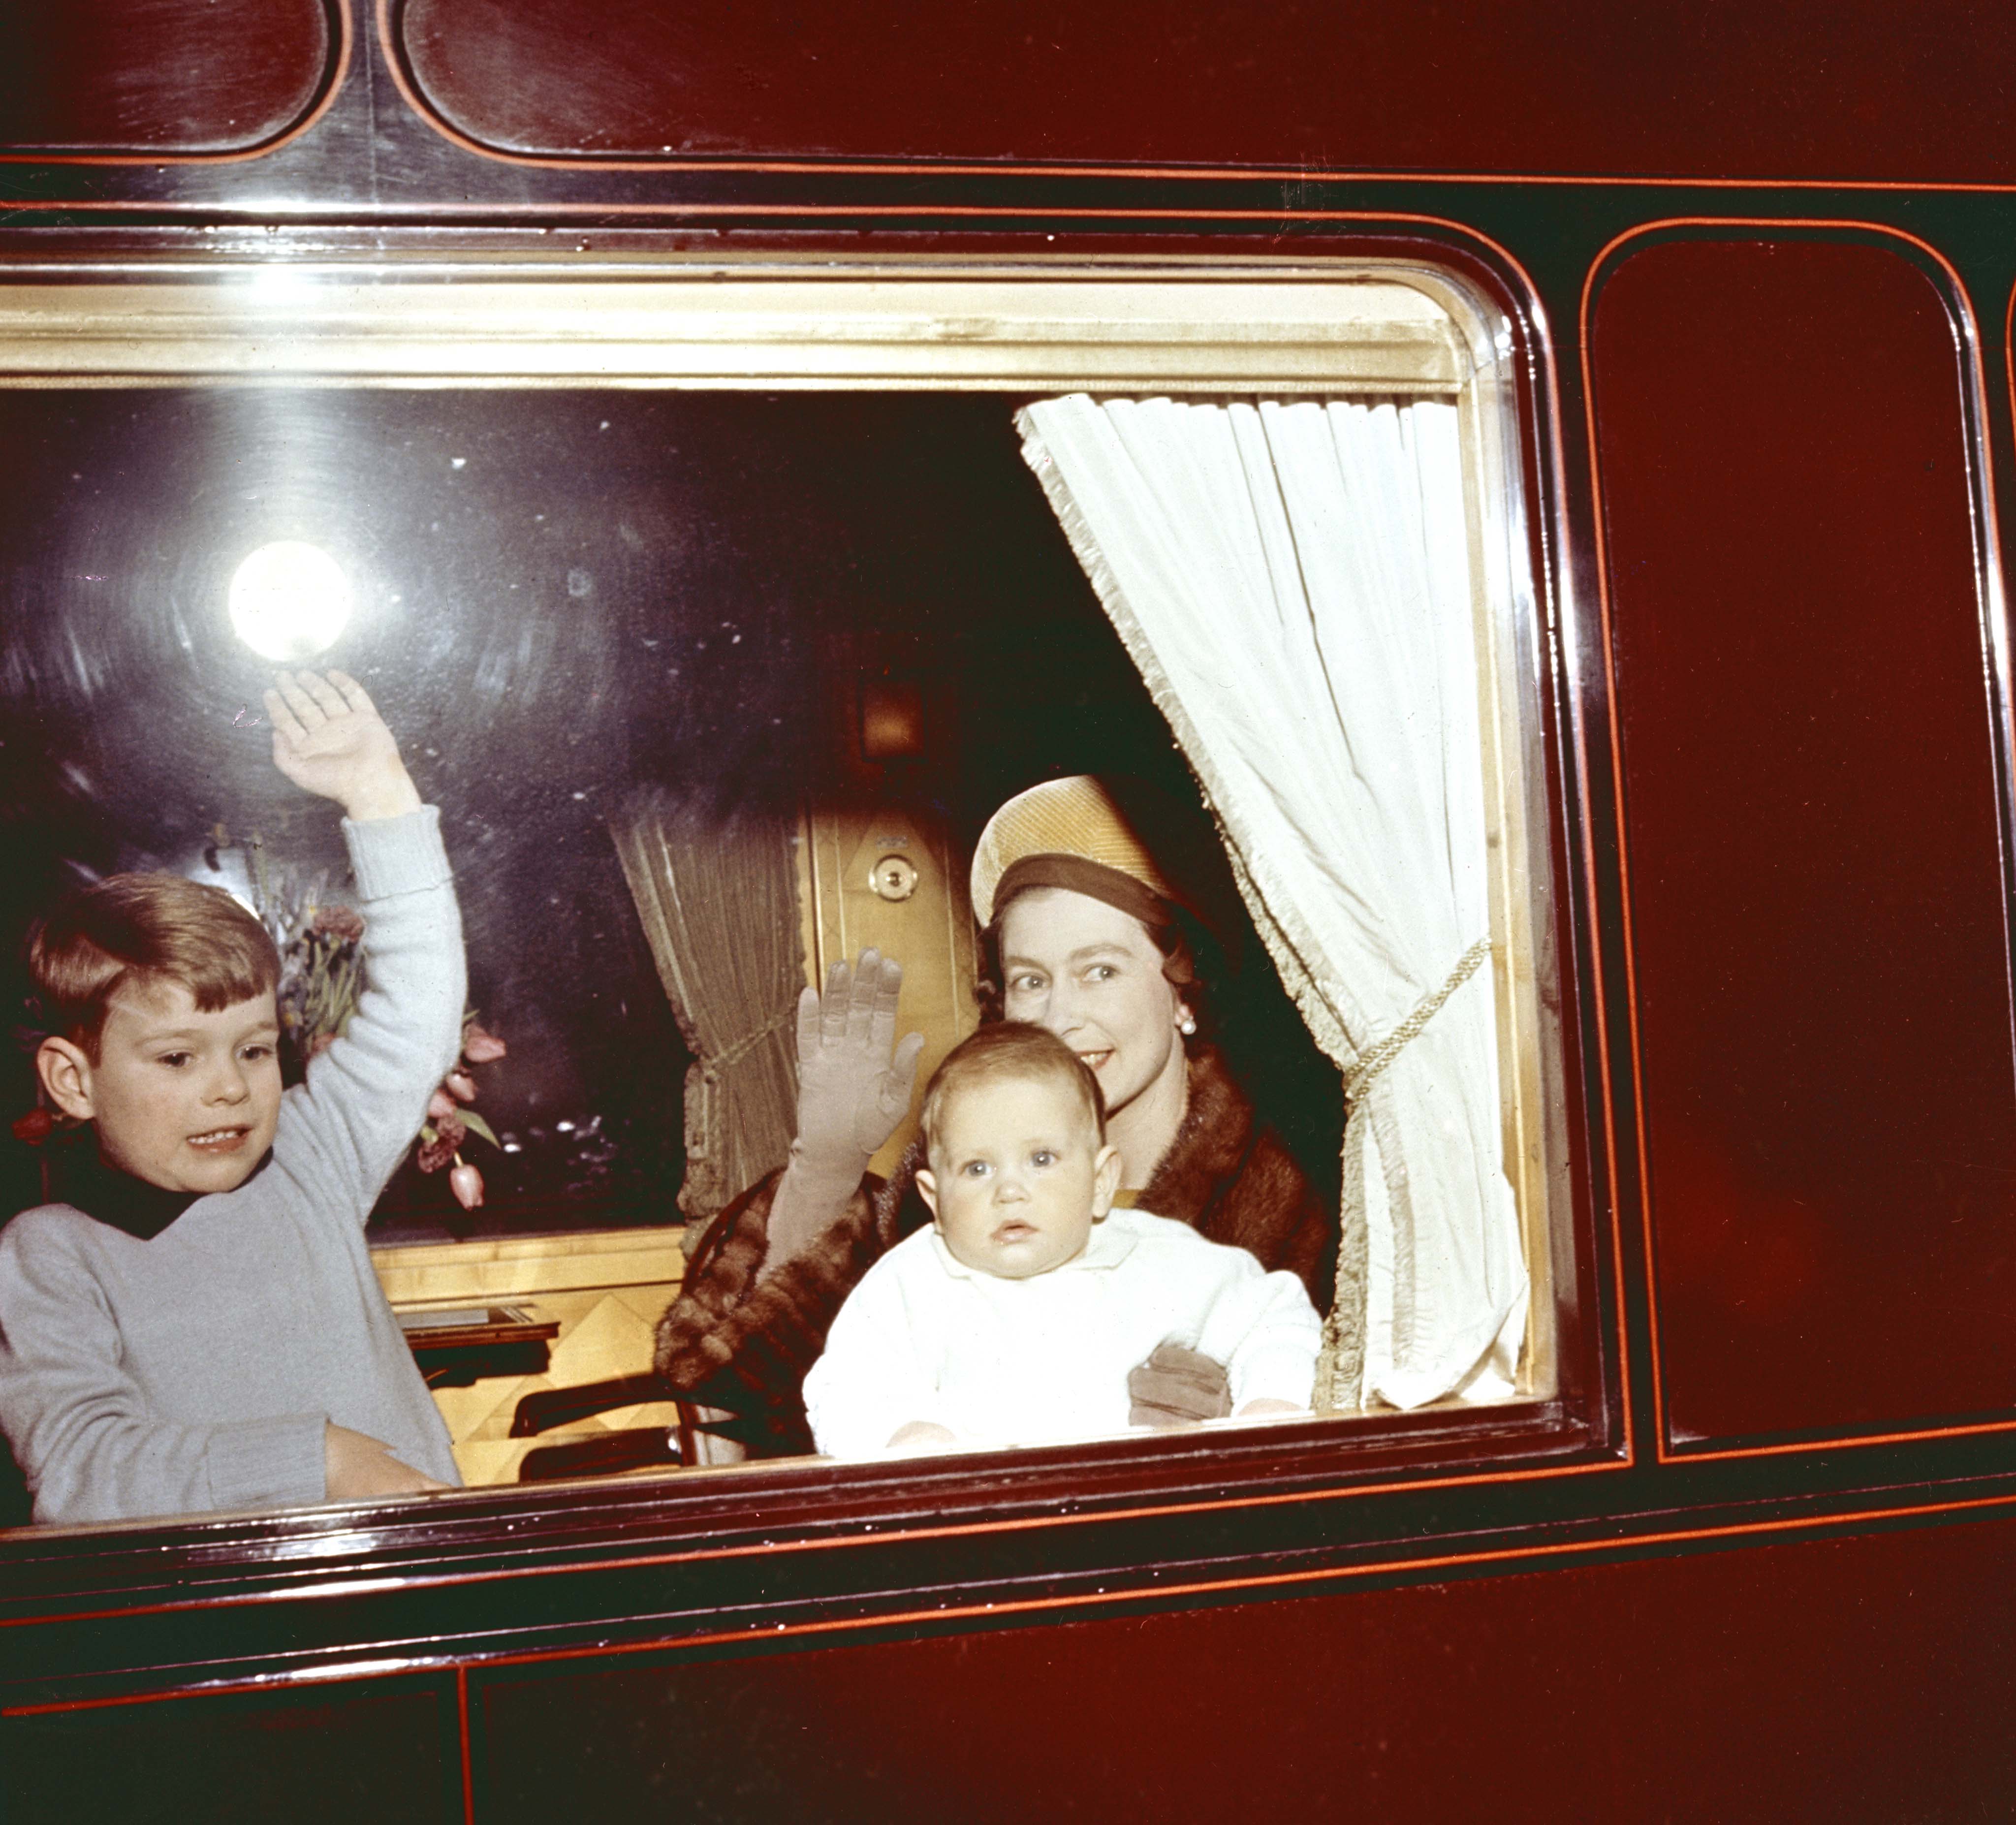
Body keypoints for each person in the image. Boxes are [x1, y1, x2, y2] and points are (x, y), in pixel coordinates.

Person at [657, 774, 1336, 1458]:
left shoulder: (1301, 1203)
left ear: (1186, 994)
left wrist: (1236, 1407)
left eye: (1100, 971)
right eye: (1031, 981)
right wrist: (825, 1167)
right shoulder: (952, 1189)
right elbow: (771, 1389)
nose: (1061, 1017)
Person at [0, 669, 466, 1526]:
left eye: (255, 1049)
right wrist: (315, 1456)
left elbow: (418, 1017)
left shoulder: (311, 1161)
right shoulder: (50, 1254)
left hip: (418, 1594)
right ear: (74, 1080)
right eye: (177, 1057)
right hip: (226, 1633)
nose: (229, 1086)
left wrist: (377, 791)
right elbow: (79, 1467)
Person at [801, 1024, 1319, 1459]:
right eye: (977, 1168)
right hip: (982, 1526)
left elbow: (1274, 1316)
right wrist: (908, 1436)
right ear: (935, 1200)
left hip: (1139, 1516)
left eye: (1042, 1160)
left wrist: (1269, 1407)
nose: (1009, 1190)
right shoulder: (911, 1282)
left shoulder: (1157, 1258)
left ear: (1100, 1182)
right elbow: (845, 1386)